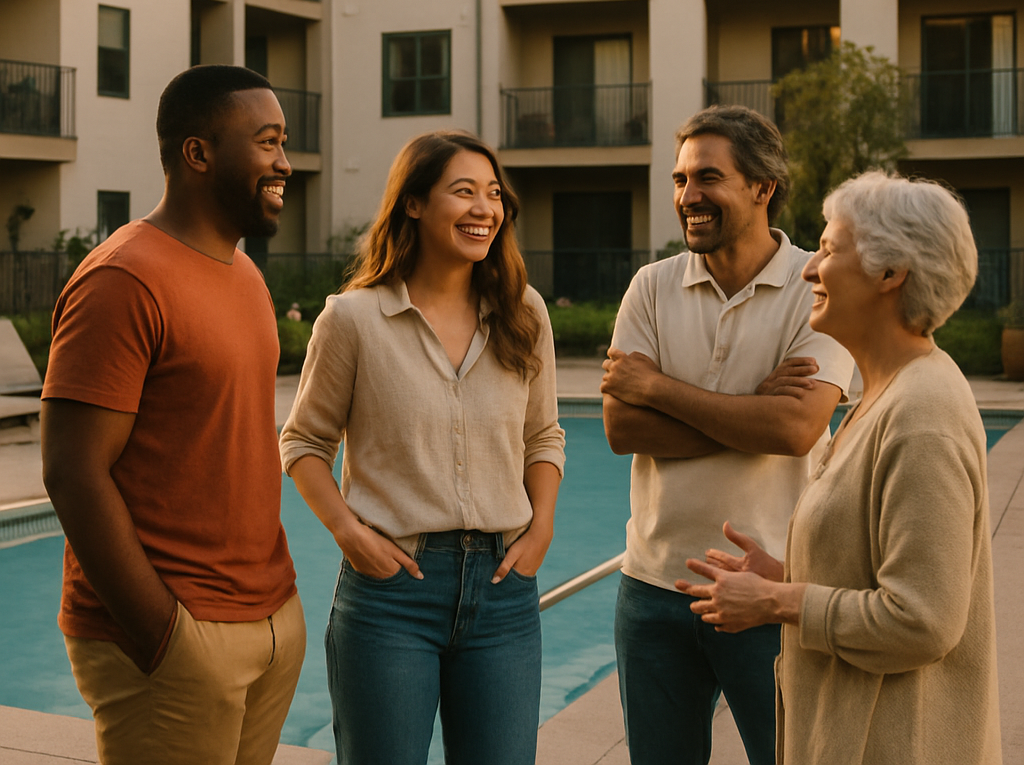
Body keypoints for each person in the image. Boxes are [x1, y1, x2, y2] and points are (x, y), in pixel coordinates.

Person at [678, 171, 1002, 765]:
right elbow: (874, 568)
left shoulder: (922, 413)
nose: (808, 269)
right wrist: (783, 575)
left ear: (889, 272)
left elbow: (922, 621)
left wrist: (780, 603)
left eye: (828, 250)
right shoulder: (880, 396)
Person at [41, 65, 305, 765]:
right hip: (177, 639)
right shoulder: (122, 279)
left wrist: (276, 616)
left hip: (268, 618)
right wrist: (163, 633)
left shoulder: (243, 273)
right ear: (199, 153)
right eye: (268, 142)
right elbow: (72, 471)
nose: (286, 162)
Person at [279, 129, 564, 765]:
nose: (485, 208)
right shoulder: (352, 320)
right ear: (413, 203)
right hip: (390, 597)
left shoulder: (524, 312)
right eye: (463, 192)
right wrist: (350, 535)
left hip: (504, 593)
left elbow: (542, 434)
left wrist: (541, 524)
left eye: (493, 194)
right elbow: (302, 442)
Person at [601, 105, 854, 765]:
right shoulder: (651, 288)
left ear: (762, 188)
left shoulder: (816, 288)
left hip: (770, 587)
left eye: (707, 178)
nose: (689, 197)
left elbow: (796, 428)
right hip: (652, 593)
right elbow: (622, 429)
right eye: (681, 180)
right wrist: (750, 414)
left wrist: (659, 390)